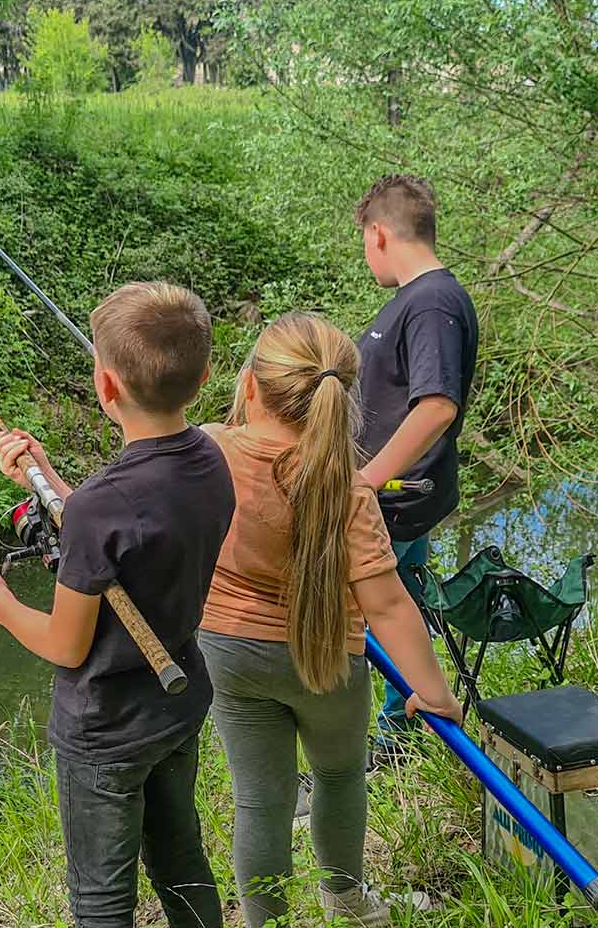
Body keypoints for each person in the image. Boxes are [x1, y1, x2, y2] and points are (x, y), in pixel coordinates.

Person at [0, 281, 233, 928]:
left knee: (101, 898)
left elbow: (65, 643)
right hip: (178, 704)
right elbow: (127, 528)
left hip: (106, 730)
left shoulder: (100, 505)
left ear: (105, 388)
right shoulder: (210, 459)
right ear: (201, 378)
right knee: (181, 862)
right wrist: (51, 481)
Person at [197, 311, 463, 928]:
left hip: (229, 653)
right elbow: (388, 604)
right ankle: (348, 903)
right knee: (340, 775)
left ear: (250, 387)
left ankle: (268, 922)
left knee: (259, 800)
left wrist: (45, 476)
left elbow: (137, 485)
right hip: (325, 660)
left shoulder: (206, 451)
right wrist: (434, 693)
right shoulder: (348, 489)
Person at [351, 174, 480, 740]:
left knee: (374, 619)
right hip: (396, 498)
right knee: (399, 616)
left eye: (363, 240)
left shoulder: (430, 302)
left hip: (390, 501)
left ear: (378, 233)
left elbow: (436, 408)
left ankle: (372, 749)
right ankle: (393, 738)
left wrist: (363, 481)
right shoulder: (419, 301)